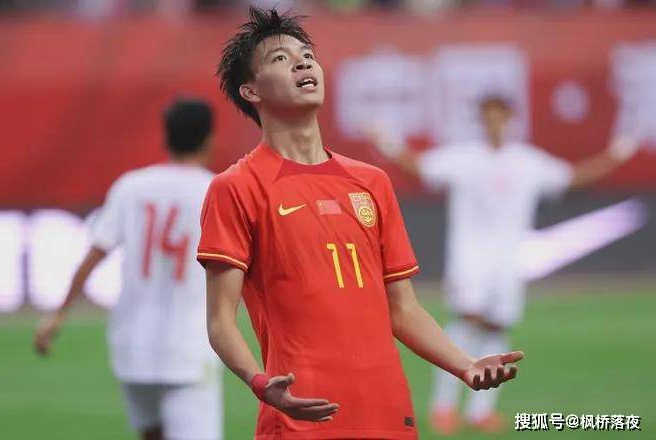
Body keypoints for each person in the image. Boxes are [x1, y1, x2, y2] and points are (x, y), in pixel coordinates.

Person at [198, 7, 523, 440]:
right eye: (280, 58)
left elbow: (403, 310)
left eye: (307, 55)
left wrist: (465, 364)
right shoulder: (236, 187)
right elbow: (220, 320)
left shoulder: (371, 182)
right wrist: (259, 383)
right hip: (302, 415)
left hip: (387, 410)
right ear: (251, 90)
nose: (303, 63)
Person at [367, 95, 640, 435]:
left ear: (509, 119)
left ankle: (480, 411)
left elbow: (572, 178)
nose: (494, 123)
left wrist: (616, 155)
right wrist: (388, 143)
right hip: (470, 259)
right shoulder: (465, 159)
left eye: (499, 117)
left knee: (497, 327)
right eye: (488, 117)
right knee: (465, 324)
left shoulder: (526, 162)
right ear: (482, 120)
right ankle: (443, 407)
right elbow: (420, 168)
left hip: (508, 261)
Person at [35, 98, 223, 440]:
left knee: (152, 434)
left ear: (166, 137)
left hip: (132, 347)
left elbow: (94, 255)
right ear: (209, 139)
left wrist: (58, 315)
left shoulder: (131, 186)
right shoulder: (216, 190)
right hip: (189, 348)